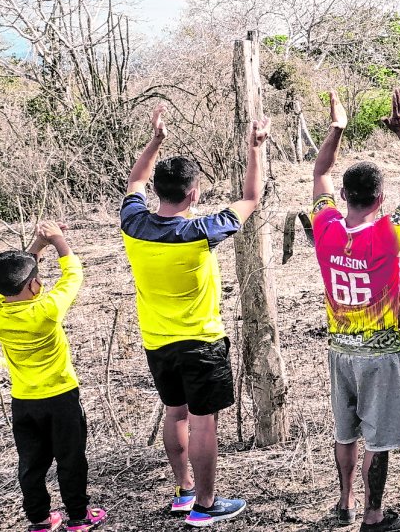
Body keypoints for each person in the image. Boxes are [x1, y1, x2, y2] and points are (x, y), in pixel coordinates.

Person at [121, 104, 270, 527]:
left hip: (157, 341)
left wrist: (155, 140)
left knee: (175, 413)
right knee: (204, 422)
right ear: (194, 194)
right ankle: (205, 505)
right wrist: (255, 147)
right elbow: (251, 199)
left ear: (158, 191)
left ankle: (184, 491)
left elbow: (134, 181)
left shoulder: (133, 223)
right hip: (201, 342)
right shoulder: (200, 232)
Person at [311, 89, 400, 532]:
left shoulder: (324, 227)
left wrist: (337, 128)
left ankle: (344, 503)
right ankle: (373, 515)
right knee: (377, 439)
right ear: (381, 198)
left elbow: (320, 172)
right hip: (381, 355)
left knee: (345, 432)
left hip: (339, 350)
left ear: (345, 194)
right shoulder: (387, 234)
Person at [0, 221, 108, 532]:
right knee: (70, 459)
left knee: (31, 464)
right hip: (61, 398)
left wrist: (38, 246)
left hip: (24, 402)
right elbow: (74, 275)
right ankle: (78, 517)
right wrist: (59, 241)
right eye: (37, 278)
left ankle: (39, 519)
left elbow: (17, 277)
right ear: (33, 285)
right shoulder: (48, 310)